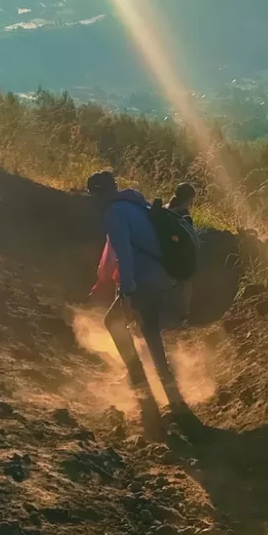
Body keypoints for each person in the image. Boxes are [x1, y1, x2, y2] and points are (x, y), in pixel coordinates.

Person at [87, 169, 187, 417]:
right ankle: (171, 392)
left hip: (147, 278)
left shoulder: (114, 214)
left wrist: (127, 291)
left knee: (113, 321)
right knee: (149, 328)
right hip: (163, 273)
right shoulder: (133, 202)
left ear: (97, 194)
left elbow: (125, 254)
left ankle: (139, 381)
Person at [166, 183, 199, 324]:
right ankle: (183, 317)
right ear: (189, 198)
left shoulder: (166, 209)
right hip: (177, 255)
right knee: (186, 283)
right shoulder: (184, 215)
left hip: (161, 251)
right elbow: (190, 239)